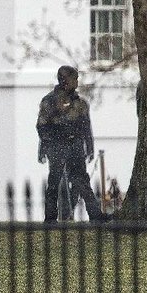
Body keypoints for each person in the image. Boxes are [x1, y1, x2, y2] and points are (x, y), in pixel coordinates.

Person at [37, 66, 108, 223]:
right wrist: (49, 145)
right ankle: (50, 217)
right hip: (57, 146)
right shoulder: (49, 101)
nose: (77, 82)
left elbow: (86, 127)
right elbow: (42, 126)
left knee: (82, 181)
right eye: (74, 78)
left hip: (75, 145)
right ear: (64, 80)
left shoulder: (79, 103)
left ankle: (95, 215)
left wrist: (89, 147)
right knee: (54, 183)